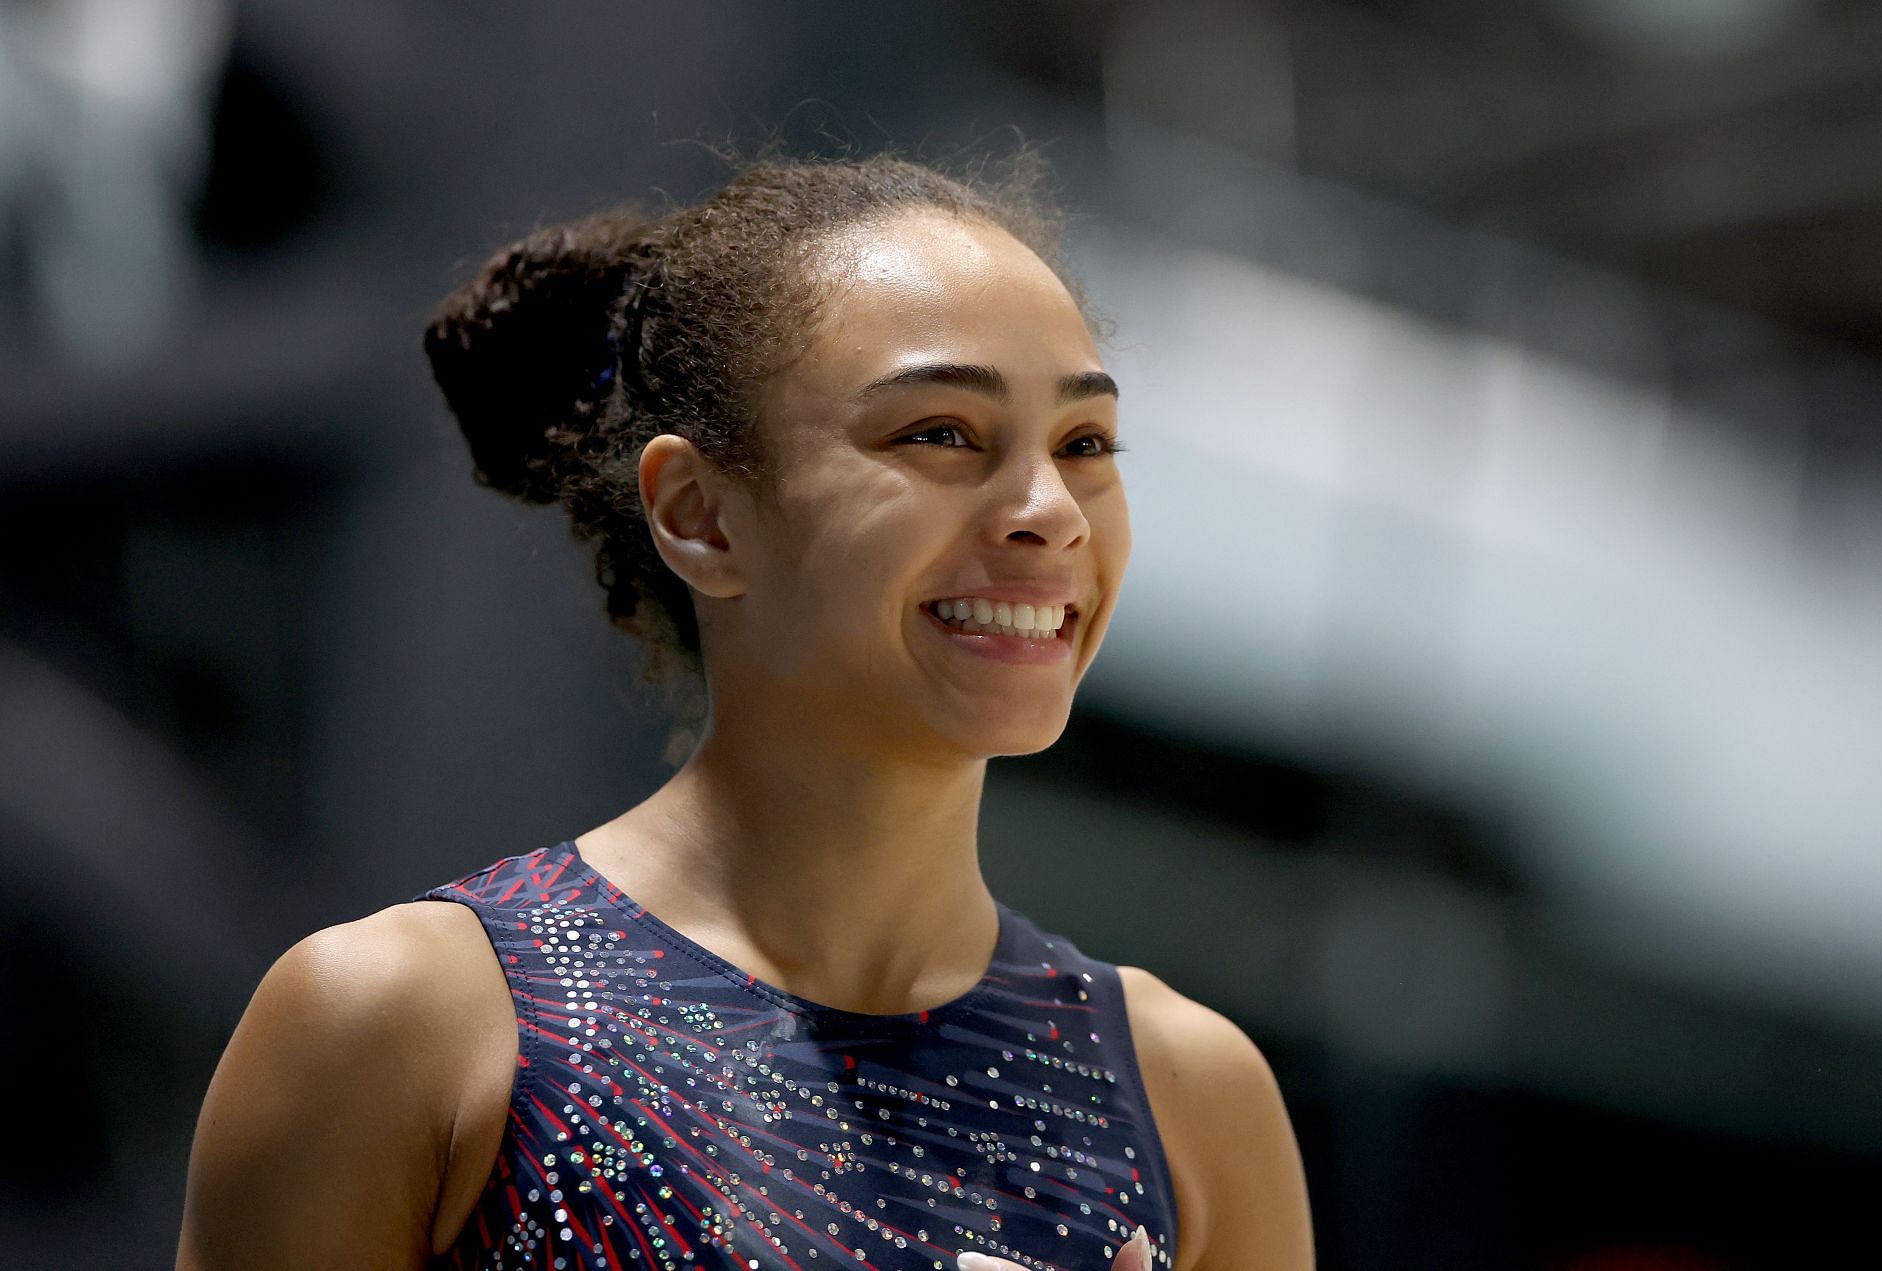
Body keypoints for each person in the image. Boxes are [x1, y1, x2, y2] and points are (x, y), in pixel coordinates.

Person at [177, 150, 1313, 1271]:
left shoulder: (1190, 1099)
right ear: (702, 514)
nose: (1048, 510)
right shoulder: (408, 1025)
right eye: (940, 434)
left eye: (1085, 445)